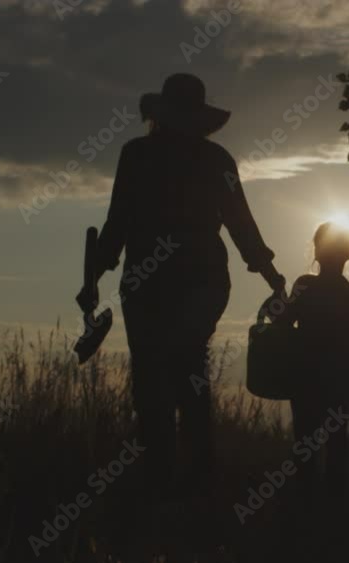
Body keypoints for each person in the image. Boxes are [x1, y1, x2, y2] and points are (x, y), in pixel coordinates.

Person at [90, 74, 286, 498]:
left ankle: (168, 479)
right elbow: (240, 224)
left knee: (156, 375)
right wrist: (271, 275)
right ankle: (192, 480)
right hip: (194, 280)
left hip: (155, 282)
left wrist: (96, 274)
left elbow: (118, 221)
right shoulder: (214, 160)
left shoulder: (139, 155)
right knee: (184, 370)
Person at [275, 222, 349, 500]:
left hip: (305, 375)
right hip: (338, 376)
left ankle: (307, 501)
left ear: (317, 252)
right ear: (347, 256)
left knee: (305, 438)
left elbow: (283, 322)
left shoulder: (305, 286)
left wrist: (277, 302)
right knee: (336, 438)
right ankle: (333, 502)